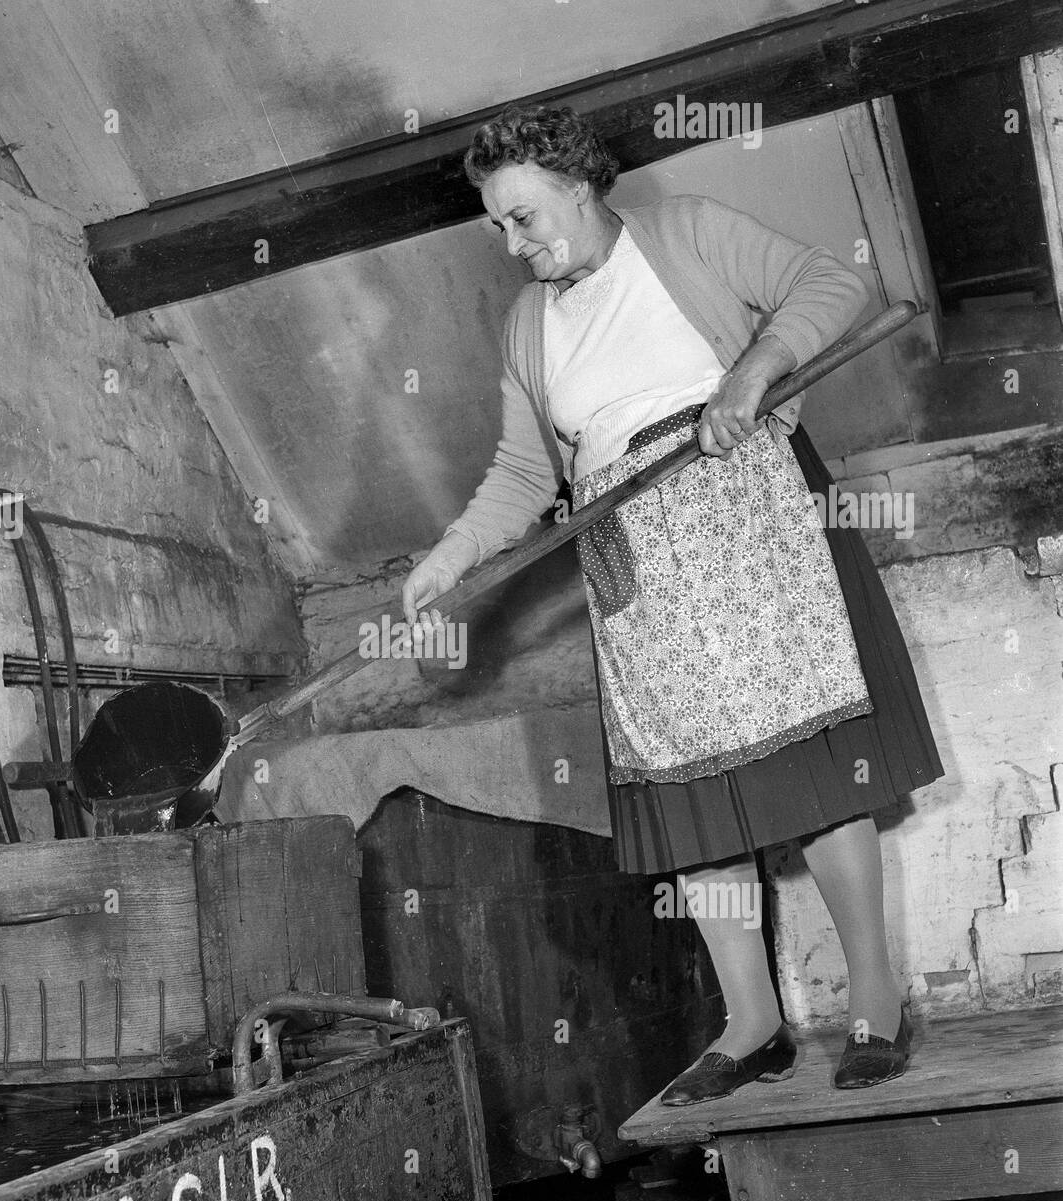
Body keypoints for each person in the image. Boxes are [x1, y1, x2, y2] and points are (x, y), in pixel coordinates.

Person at [400, 104, 944, 1104]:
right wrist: (450, 554)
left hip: (750, 521)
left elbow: (836, 283)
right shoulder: (529, 325)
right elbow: (524, 475)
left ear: (577, 185)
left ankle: (873, 995)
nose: (513, 243)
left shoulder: (687, 232)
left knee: (810, 756)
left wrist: (751, 373)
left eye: (523, 217)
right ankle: (752, 1020)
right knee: (690, 792)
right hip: (638, 566)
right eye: (497, 226)